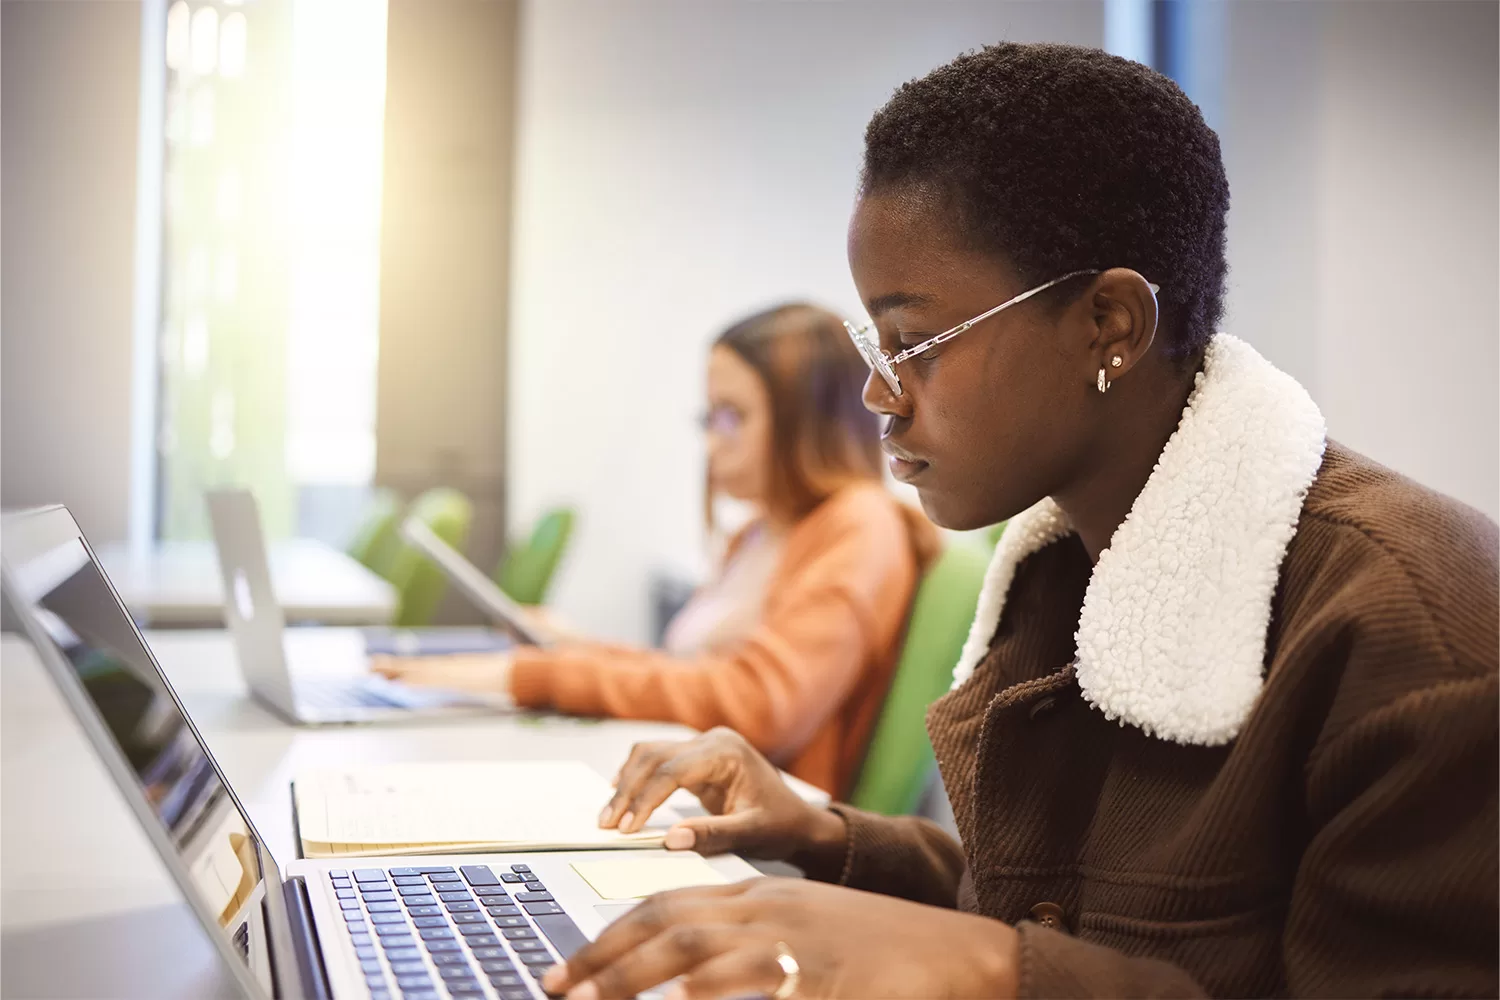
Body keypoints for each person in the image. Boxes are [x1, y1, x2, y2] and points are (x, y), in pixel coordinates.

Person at [541, 43, 1500, 1000]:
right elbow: (1048, 907)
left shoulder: (1417, 628)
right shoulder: (1072, 560)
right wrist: (822, 831)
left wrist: (1002, 972)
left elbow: (1033, 949)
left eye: (916, 345)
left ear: (1109, 327)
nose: (879, 393)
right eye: (876, 344)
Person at [377, 303, 937, 798]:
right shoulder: (761, 533)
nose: (712, 441)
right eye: (708, 417)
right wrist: (576, 651)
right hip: (695, 787)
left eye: (732, 417)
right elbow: (693, 672)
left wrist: (534, 676)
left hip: (759, 830)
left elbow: (758, 703)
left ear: (808, 422)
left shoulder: (858, 525)